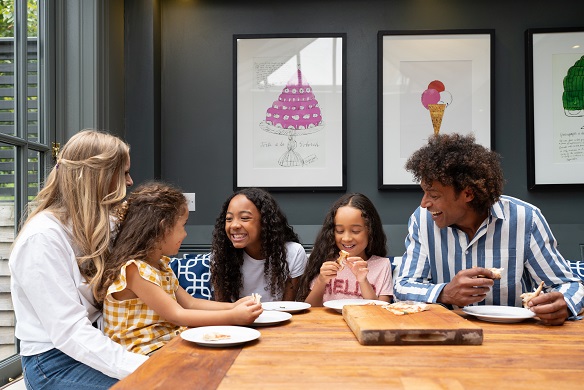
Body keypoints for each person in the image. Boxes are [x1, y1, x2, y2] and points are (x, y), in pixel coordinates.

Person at [394, 133, 584, 325]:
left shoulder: (525, 219)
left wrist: (564, 304)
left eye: (433, 195)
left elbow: (568, 285)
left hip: (516, 337)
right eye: (424, 192)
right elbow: (403, 286)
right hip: (449, 333)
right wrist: (445, 293)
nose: (424, 203)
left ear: (468, 193)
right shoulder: (422, 220)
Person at [9, 129, 147, 389]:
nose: (130, 182)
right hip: (52, 363)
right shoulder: (41, 239)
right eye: (124, 173)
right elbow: (70, 332)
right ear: (99, 177)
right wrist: (144, 367)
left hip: (99, 343)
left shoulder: (104, 223)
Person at [96, 182, 263, 355]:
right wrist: (233, 317)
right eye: (183, 226)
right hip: (144, 351)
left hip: (165, 342)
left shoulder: (160, 266)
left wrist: (233, 307)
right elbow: (176, 314)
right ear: (163, 228)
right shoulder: (134, 270)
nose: (185, 234)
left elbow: (191, 303)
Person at [210, 188, 308, 302]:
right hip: (237, 319)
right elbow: (223, 309)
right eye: (229, 219)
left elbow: (288, 307)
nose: (234, 225)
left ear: (265, 222)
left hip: (280, 318)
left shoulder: (293, 253)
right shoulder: (221, 256)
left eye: (245, 218)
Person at [296, 193, 392, 306]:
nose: (346, 238)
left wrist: (363, 281)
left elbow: (380, 314)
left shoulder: (382, 265)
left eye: (356, 231)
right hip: (328, 323)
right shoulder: (326, 261)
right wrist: (321, 281)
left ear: (370, 231)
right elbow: (310, 310)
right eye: (340, 231)